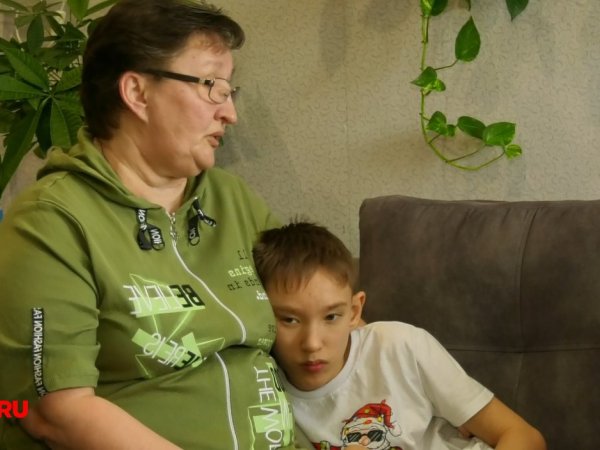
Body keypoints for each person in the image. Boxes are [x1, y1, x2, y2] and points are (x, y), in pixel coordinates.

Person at [0, 1, 299, 449]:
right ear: (138, 93)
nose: (230, 113)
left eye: (229, 90)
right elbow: (54, 411)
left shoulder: (231, 199)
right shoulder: (52, 220)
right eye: (211, 87)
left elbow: (318, 317)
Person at [252, 221, 547, 450]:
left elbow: (523, 437)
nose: (312, 343)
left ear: (354, 311)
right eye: (290, 320)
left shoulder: (400, 345)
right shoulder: (262, 394)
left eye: (331, 317)